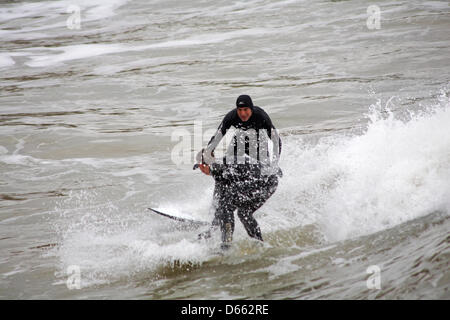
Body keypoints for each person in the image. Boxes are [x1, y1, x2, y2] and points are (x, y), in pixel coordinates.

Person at [196, 94, 282, 249]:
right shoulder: (231, 117)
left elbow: (275, 140)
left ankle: (227, 217)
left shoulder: (260, 115)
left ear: (251, 108)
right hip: (240, 142)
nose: (243, 114)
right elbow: (217, 137)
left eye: (246, 110)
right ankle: (215, 218)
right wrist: (207, 155)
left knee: (239, 174)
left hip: (258, 145)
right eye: (240, 110)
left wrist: (274, 164)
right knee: (223, 177)